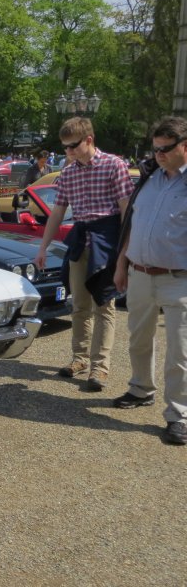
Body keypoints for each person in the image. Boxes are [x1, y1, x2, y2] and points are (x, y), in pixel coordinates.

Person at [33, 117, 134, 391]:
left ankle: (99, 367)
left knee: (105, 305)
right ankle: (79, 359)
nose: (68, 152)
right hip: (80, 240)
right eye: (65, 147)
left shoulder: (115, 165)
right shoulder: (68, 173)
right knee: (79, 304)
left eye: (72, 146)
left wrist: (125, 252)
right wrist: (42, 248)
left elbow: (126, 211)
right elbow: (57, 212)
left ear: (89, 140)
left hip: (107, 239)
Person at [112, 116, 187, 445]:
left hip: (178, 280)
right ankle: (141, 389)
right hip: (139, 273)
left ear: (185, 146)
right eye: (155, 148)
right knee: (138, 339)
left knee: (180, 352)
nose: (159, 154)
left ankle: (179, 414)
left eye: (166, 149)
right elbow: (133, 224)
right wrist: (121, 263)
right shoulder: (148, 179)